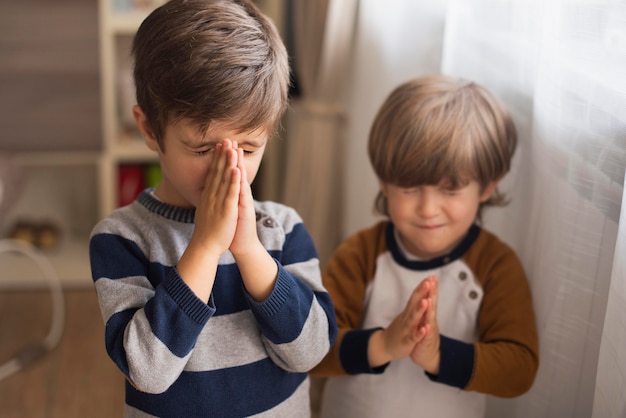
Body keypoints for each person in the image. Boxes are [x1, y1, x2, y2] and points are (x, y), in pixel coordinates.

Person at [89, 1, 337, 416]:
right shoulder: (122, 238)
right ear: (150, 129)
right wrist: (204, 248)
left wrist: (249, 250)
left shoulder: (282, 229)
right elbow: (147, 371)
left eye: (250, 147)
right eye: (204, 148)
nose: (229, 167)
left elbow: (310, 352)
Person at [311, 75, 539, 418]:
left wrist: (437, 355)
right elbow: (311, 348)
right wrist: (384, 345)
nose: (428, 208)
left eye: (450, 190)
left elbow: (519, 368)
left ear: (487, 187)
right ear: (384, 183)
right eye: (410, 189)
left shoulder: (495, 265)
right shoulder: (360, 254)